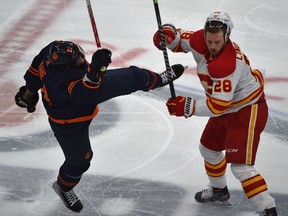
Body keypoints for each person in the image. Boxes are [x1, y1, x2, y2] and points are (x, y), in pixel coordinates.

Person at [15, 40, 185, 212]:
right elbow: (85, 94)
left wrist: (29, 92)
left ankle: (157, 80)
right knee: (80, 161)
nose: (82, 58)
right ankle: (63, 187)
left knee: (133, 77)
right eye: (78, 60)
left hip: (88, 86)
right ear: (66, 68)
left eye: (80, 54)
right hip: (69, 120)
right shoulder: (61, 83)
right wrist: (97, 70)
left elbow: (35, 68)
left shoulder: (50, 50)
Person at [153, 12, 277, 216]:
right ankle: (219, 191)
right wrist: (167, 36)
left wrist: (187, 107)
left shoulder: (227, 64)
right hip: (228, 107)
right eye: (209, 41)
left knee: (241, 167)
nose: (212, 45)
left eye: (217, 41)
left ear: (227, 36)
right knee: (209, 148)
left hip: (247, 109)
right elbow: (179, 41)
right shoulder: (200, 39)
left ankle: (267, 210)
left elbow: (218, 106)